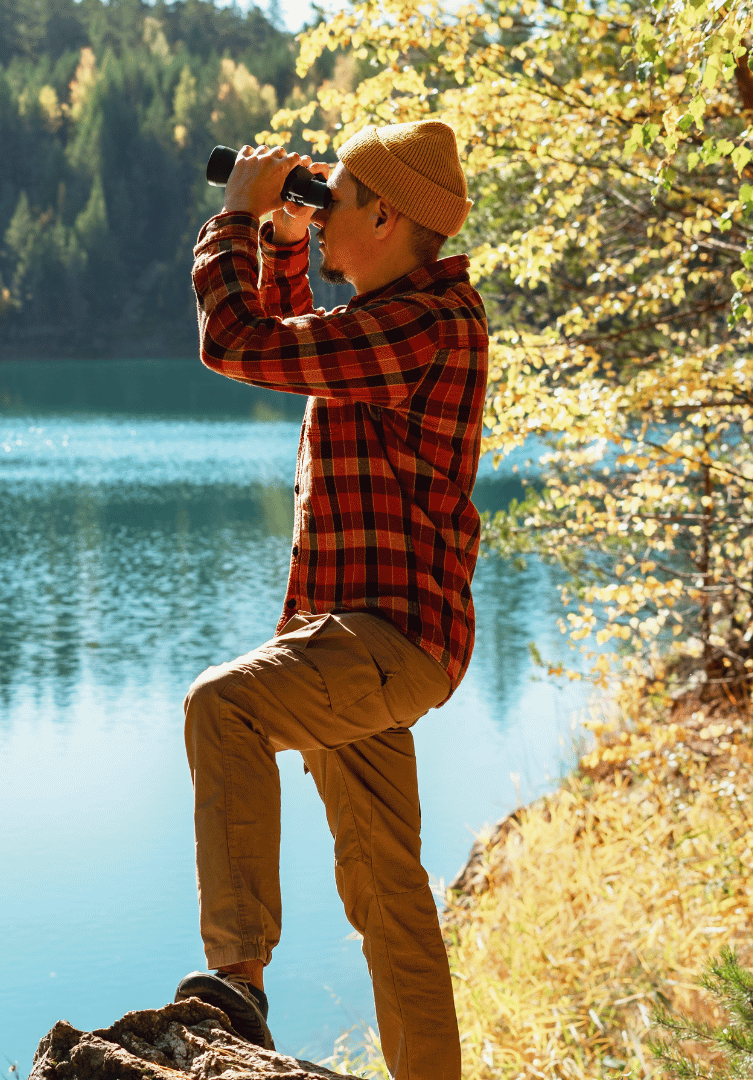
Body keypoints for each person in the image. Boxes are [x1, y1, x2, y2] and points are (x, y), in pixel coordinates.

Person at [172, 120, 486, 1080]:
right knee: (391, 897)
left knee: (221, 707)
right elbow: (295, 344)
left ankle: (239, 986)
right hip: (364, 645)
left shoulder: (419, 326)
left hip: (380, 643)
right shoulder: (401, 319)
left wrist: (231, 221)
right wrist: (279, 242)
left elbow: (238, 346)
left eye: (335, 199)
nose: (320, 212)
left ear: (386, 216)